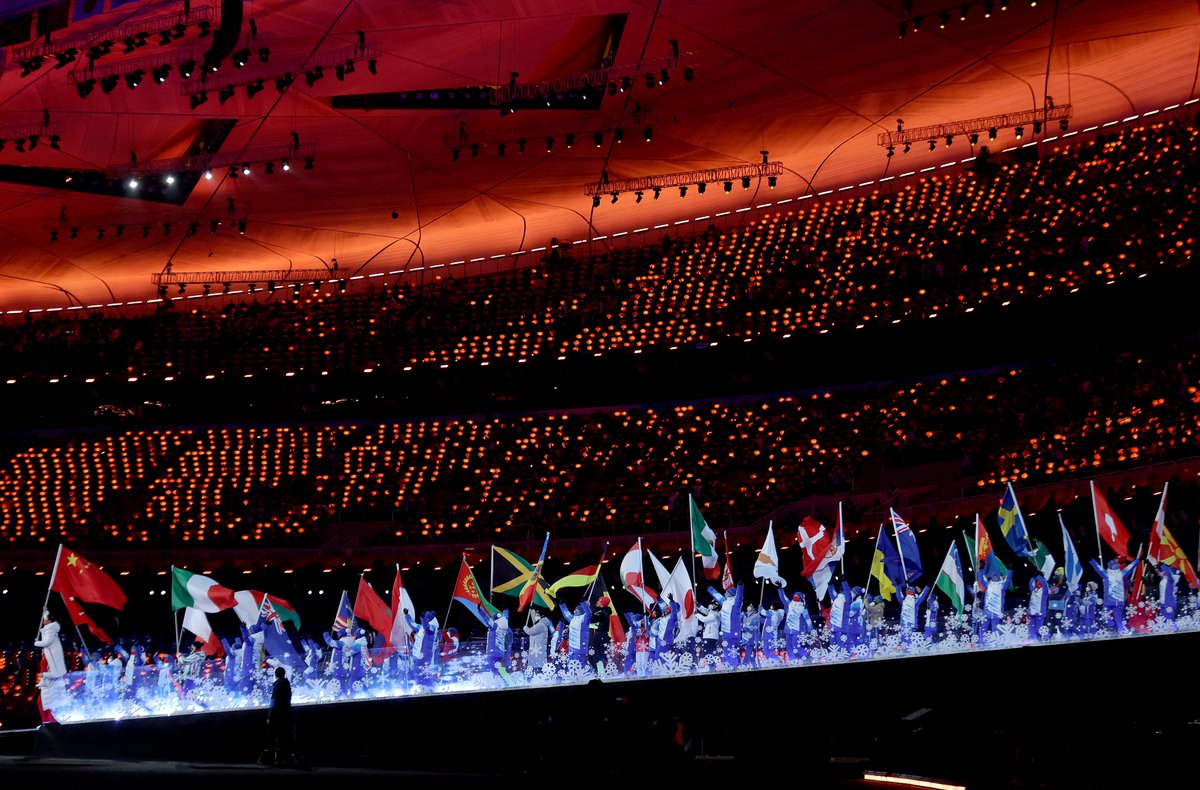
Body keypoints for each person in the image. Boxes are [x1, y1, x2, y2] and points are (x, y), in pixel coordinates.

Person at [1088, 558, 1141, 634]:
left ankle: (1121, 630)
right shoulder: (1107, 574)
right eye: (1115, 565)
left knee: (1117, 617)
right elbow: (1098, 568)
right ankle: (1114, 626)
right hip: (1110, 600)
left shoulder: (1121, 573)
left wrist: (1137, 561)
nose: (1116, 566)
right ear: (1111, 566)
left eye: (1117, 565)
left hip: (1117, 601)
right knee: (1105, 614)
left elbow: (1130, 567)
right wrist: (1092, 561)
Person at [34, 610, 66, 722]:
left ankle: (50, 723)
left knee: (48, 703)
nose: (43, 621)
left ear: (50, 620)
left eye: (45, 619)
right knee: (42, 702)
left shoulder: (50, 633)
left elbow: (47, 641)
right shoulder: (47, 651)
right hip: (46, 682)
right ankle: (47, 723)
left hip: (51, 681)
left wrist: (36, 643)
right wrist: (45, 610)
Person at [265, 666, 298, 767]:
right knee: (285, 737)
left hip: (277, 716)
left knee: (274, 737)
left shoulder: (277, 685)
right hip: (286, 714)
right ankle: (284, 758)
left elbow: (273, 701)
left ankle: (275, 759)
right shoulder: (287, 685)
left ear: (275, 675)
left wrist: (269, 716)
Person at [781, 589, 813, 661]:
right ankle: (792, 660)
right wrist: (780, 589)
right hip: (788, 628)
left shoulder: (802, 608)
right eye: (794, 596)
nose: (795, 598)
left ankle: (807, 656)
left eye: (797, 597)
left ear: (801, 598)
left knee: (795, 646)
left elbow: (807, 619)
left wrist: (811, 629)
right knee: (789, 647)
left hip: (797, 629)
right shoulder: (789, 604)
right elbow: (783, 598)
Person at [588, 596, 613, 675]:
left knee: (597, 655)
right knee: (598, 655)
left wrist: (588, 608)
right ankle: (600, 672)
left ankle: (601, 673)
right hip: (600, 636)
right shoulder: (601, 612)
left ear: (602, 604)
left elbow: (591, 621)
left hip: (600, 636)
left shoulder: (601, 613)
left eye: (599, 601)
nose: (597, 602)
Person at [1027, 574, 1049, 640]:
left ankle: (1048, 637)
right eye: (1037, 582)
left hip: (1039, 612)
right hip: (1031, 612)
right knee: (1031, 629)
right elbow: (1031, 584)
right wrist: (1033, 576)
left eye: (1039, 583)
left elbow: (1044, 583)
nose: (1038, 584)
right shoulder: (1034, 590)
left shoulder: (1044, 591)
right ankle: (1034, 641)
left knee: (1039, 629)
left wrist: (1038, 576)